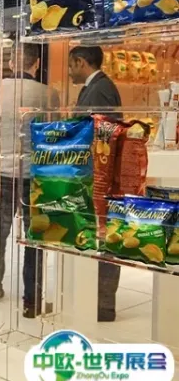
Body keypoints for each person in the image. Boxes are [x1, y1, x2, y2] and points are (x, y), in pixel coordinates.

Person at [0, 43, 60, 317]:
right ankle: (32, 300)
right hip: (34, 174)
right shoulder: (48, 94)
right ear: (36, 64)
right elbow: (54, 133)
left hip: (1, 170)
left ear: (11, 63)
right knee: (34, 236)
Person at [69, 45, 122, 322]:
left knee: (105, 238)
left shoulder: (100, 89)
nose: (69, 72)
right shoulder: (95, 87)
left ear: (81, 62)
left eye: (71, 65)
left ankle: (103, 304)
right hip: (93, 173)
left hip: (99, 176)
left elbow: (101, 134)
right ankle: (96, 300)